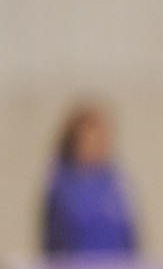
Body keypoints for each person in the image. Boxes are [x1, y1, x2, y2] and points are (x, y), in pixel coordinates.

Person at [42, 101, 138, 257]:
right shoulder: (60, 186)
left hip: (116, 267)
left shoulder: (115, 182)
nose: (96, 145)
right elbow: (52, 241)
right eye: (89, 140)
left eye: (100, 139)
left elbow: (129, 235)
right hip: (75, 268)